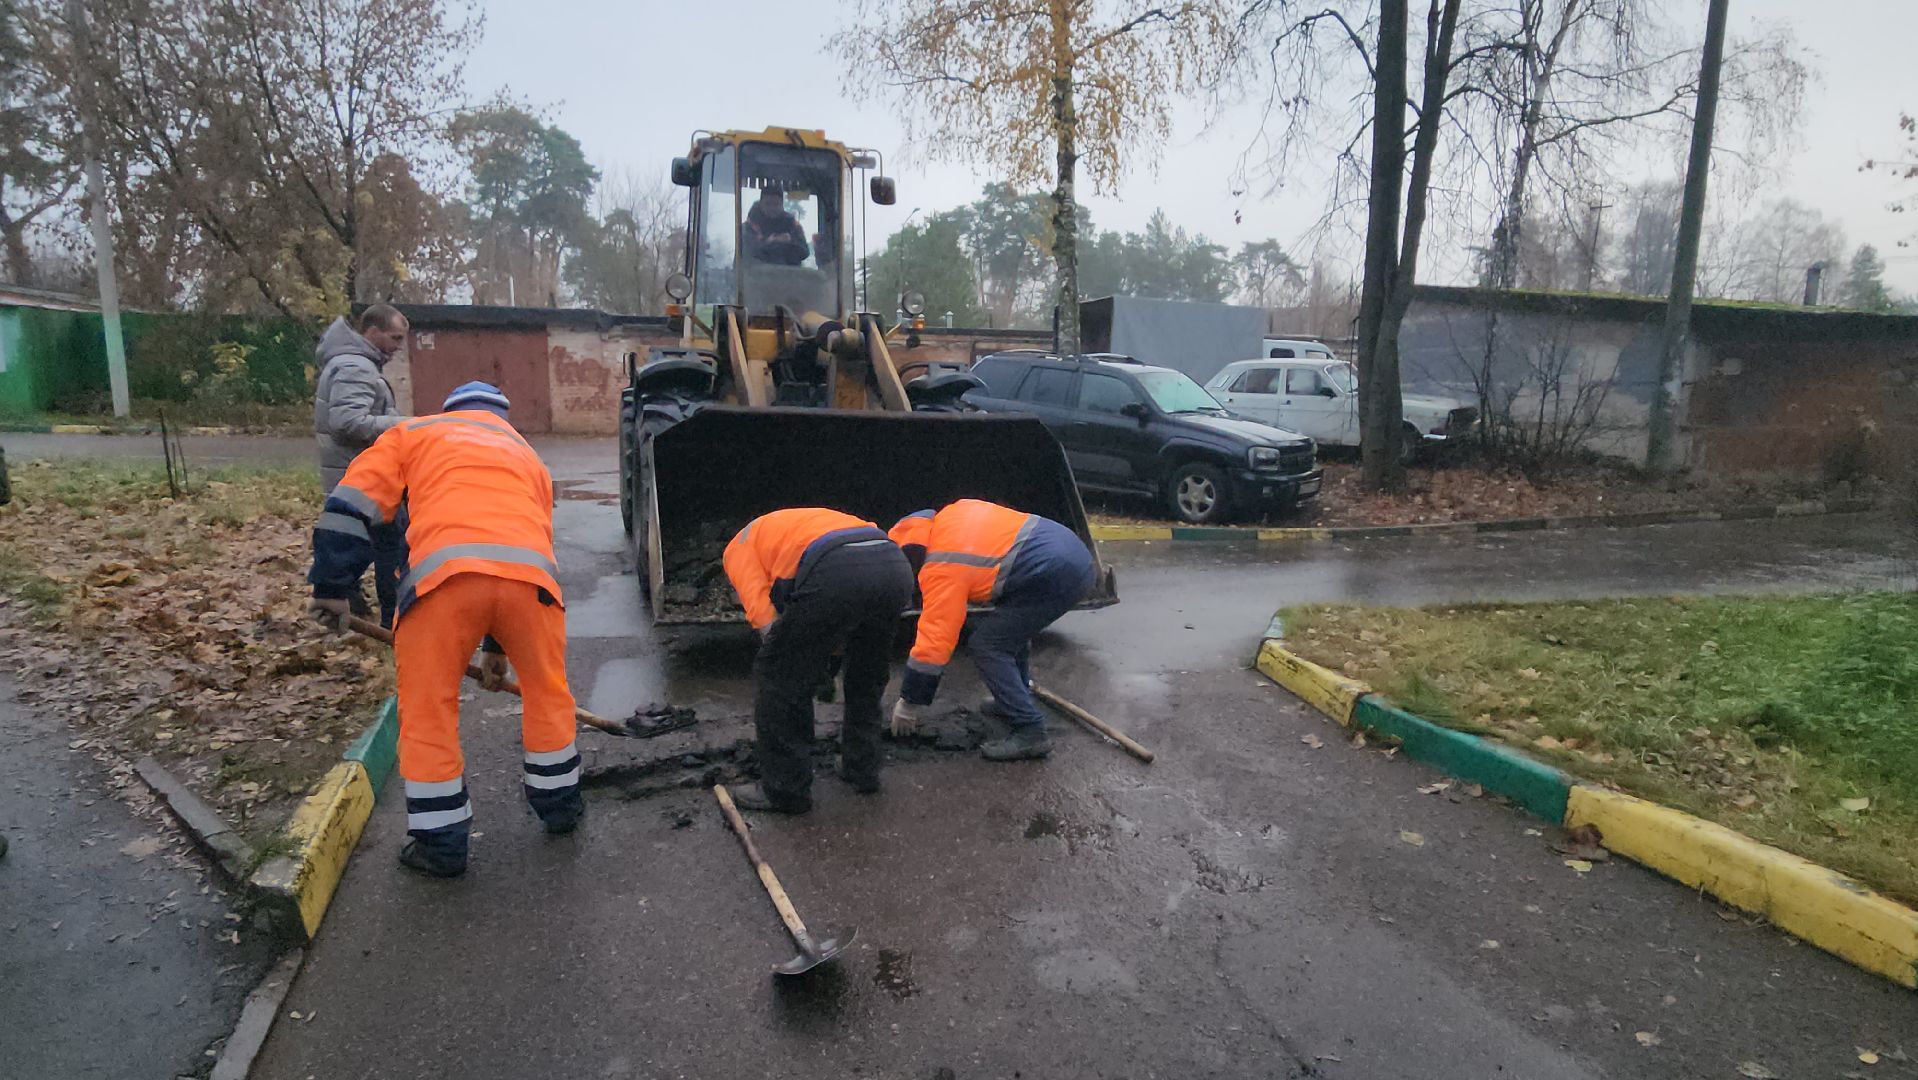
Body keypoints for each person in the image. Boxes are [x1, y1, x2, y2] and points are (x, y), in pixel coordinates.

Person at [307, 382, 579, 878]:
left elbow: (350, 505)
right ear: (501, 417)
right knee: (547, 692)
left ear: (450, 410)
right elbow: (512, 547)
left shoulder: (416, 433)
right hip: (533, 587)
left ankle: (441, 844)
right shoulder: (527, 456)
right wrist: (498, 646)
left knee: (428, 706)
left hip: (442, 583)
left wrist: (332, 585)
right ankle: (560, 805)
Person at [723, 507, 913, 813]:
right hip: (893, 566)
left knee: (778, 675)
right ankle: (862, 768)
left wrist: (803, 669)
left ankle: (785, 791)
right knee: (867, 671)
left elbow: (766, 620)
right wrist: (823, 662)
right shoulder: (795, 526)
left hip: (837, 569)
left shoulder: (737, 550)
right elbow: (835, 618)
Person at [887, 500, 1096, 761]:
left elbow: (935, 640)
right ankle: (1013, 700)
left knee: (988, 645)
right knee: (1008, 634)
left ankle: (1030, 731)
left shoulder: (941, 566)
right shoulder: (952, 514)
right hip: (1070, 554)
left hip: (1056, 571)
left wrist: (909, 702)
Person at [314, 304, 411, 627]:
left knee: (360, 542)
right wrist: (405, 426)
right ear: (372, 332)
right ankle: (394, 621)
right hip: (365, 478)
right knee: (391, 548)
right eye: (395, 338)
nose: (398, 347)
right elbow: (348, 422)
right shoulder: (356, 367)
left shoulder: (353, 363)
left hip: (354, 474)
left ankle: (353, 606)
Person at [744, 186, 810, 266]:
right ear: (761, 204)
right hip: (756, 273)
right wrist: (768, 242)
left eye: (776, 204)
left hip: (789, 273)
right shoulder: (750, 226)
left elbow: (805, 252)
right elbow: (748, 253)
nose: (772, 208)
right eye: (767, 204)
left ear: (782, 205)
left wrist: (790, 241)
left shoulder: (793, 225)